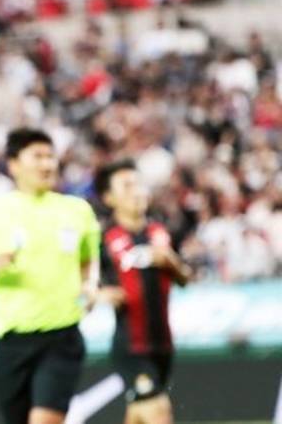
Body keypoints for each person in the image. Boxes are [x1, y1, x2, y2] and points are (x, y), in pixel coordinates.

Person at [0, 129, 101, 424]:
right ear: (14, 164)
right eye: (37, 156)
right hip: (12, 342)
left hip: (62, 337)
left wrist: (91, 282)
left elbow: (88, 257)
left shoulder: (77, 210)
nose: (47, 164)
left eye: (51, 156)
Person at [94, 160, 192, 424]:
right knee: (158, 412)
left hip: (163, 343)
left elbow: (185, 278)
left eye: (138, 184)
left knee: (140, 413)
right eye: (127, 186)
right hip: (131, 345)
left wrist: (170, 260)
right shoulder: (103, 238)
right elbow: (85, 282)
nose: (136, 191)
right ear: (109, 197)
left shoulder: (160, 231)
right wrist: (102, 294)